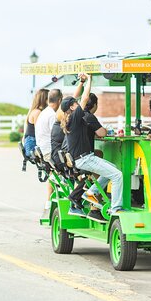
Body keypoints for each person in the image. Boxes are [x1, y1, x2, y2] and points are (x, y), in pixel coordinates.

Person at [61, 75, 124, 221]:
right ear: (72, 107)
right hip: (85, 159)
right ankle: (116, 209)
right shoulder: (76, 116)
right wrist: (89, 80)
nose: (78, 104)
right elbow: (83, 98)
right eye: (75, 104)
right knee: (117, 175)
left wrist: (81, 82)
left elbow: (75, 98)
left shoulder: (69, 118)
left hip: (83, 158)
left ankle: (91, 192)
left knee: (113, 169)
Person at [23, 89, 49, 158]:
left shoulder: (35, 110)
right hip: (32, 147)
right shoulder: (37, 112)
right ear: (44, 99)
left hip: (31, 144)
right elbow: (39, 131)